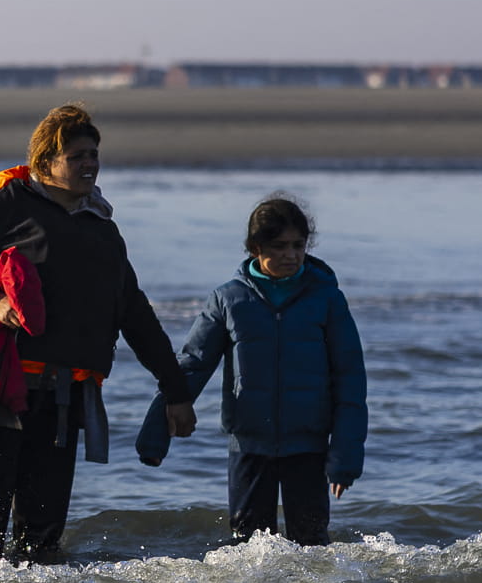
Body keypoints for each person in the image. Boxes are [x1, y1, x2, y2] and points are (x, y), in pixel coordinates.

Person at [0, 103, 196, 561]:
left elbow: (136, 316)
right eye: (77, 156)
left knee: (42, 539)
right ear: (45, 163)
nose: (89, 164)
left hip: (62, 398)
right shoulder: (6, 205)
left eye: (94, 155)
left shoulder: (102, 228)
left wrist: (175, 392)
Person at [136, 195, 367, 545]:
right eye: (279, 246)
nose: (291, 254)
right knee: (247, 549)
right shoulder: (228, 299)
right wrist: (156, 433)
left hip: (308, 446)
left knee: (313, 546)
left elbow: (350, 378)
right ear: (255, 247)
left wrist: (345, 457)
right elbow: (192, 365)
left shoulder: (326, 299)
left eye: (298, 245)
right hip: (248, 447)